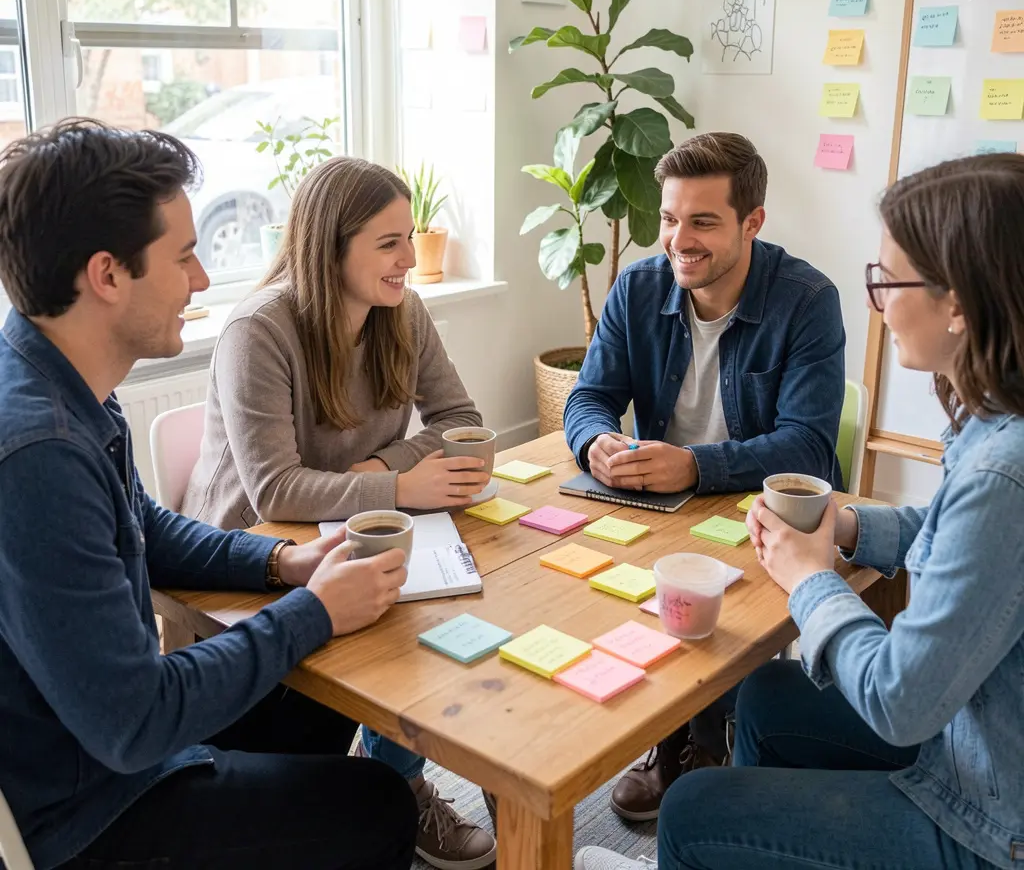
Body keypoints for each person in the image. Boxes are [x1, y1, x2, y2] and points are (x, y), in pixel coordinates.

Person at [576, 152, 1024, 870]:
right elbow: (952, 531)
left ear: (960, 304)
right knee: (770, 693)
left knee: (692, 810)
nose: (878, 300)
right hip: (977, 744)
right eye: (669, 219)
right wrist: (848, 526)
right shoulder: (997, 427)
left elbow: (899, 703)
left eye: (890, 278)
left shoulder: (1005, 470)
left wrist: (812, 576)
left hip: (983, 817)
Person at [0, 119, 418, 870]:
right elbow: (135, 720)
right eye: (184, 257)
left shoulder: (62, 383)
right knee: (377, 805)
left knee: (317, 693)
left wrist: (282, 564)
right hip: (90, 810)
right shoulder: (40, 455)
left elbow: (148, 530)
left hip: (112, 748)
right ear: (106, 275)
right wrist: (314, 611)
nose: (199, 281)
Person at [181, 155, 497, 869]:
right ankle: (400, 786)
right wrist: (402, 488)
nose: (410, 259)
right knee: (398, 626)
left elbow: (460, 419)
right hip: (250, 552)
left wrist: (384, 466)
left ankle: (401, 778)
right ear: (331, 248)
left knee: (453, 608)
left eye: (410, 236)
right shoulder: (260, 329)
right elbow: (275, 490)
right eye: (389, 243)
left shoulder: (401, 310)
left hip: (353, 530)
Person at [563, 132, 846, 821]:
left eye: (703, 221)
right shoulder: (637, 288)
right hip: (658, 501)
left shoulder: (807, 299)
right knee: (580, 587)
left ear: (753, 222)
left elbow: (808, 448)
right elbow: (587, 396)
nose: (677, 240)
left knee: (712, 602)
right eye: (668, 218)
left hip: (762, 510)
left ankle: (706, 733)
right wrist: (594, 440)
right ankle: (676, 734)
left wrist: (694, 464)